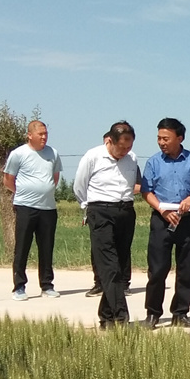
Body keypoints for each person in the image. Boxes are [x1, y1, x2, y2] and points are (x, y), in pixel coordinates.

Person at [140, 118, 190, 328]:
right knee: (157, 269)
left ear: (179, 138)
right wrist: (162, 209)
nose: (161, 142)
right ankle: (152, 314)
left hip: (187, 220)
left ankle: (180, 313)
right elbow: (146, 191)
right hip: (162, 220)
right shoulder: (154, 162)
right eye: (159, 138)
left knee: (186, 270)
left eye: (166, 138)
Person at [73, 122, 139, 329]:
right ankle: (121, 317)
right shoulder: (93, 156)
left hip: (126, 212)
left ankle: (106, 316)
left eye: (129, 147)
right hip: (100, 212)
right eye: (121, 147)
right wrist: (89, 208)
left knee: (118, 266)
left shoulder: (132, 158)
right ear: (109, 141)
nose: (125, 151)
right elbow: (79, 186)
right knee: (108, 266)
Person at [3, 120, 63, 301]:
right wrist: (24, 192)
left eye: (46, 134)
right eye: (40, 134)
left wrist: (44, 190)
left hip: (48, 208)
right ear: (30, 135)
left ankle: (47, 285)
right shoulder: (18, 154)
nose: (44, 137)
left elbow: (55, 177)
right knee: (22, 247)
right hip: (26, 207)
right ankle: (19, 286)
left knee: (46, 248)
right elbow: (8, 180)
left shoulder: (53, 153)